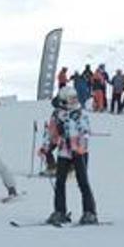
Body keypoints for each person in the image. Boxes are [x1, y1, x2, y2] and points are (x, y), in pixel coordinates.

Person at [45, 87, 98, 225]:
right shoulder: (57, 114)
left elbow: (85, 132)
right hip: (63, 152)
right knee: (60, 182)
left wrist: (77, 145)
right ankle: (60, 211)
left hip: (79, 152)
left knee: (83, 182)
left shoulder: (79, 114)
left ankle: (90, 212)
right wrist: (48, 148)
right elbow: (51, 132)